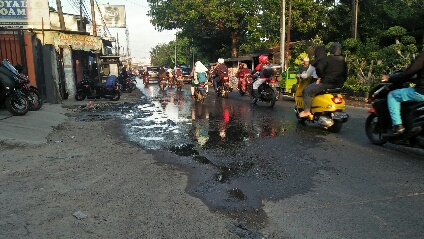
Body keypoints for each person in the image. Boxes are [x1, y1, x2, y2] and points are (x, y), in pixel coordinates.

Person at [298, 42, 348, 118]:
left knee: (306, 91)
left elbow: (319, 68)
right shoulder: (343, 61)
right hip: (339, 85)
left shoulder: (326, 59)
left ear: (332, 50)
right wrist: (342, 81)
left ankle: (307, 111)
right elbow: (346, 73)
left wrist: (320, 77)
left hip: (326, 83)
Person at [381, 50, 424, 135]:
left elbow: (409, 72)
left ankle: (398, 126)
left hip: (421, 92)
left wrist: (390, 78)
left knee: (392, 95)